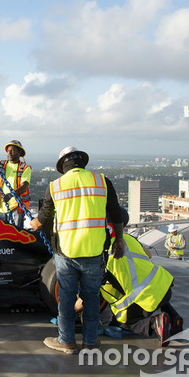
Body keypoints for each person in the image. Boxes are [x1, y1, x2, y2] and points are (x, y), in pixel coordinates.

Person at [29, 146, 125, 354]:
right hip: (93, 250)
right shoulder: (102, 181)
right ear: (82, 162)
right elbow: (115, 214)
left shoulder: (55, 186)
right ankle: (90, 342)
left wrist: (34, 223)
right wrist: (119, 241)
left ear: (63, 165)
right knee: (91, 298)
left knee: (66, 298)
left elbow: (44, 218)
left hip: (66, 251)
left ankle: (66, 342)